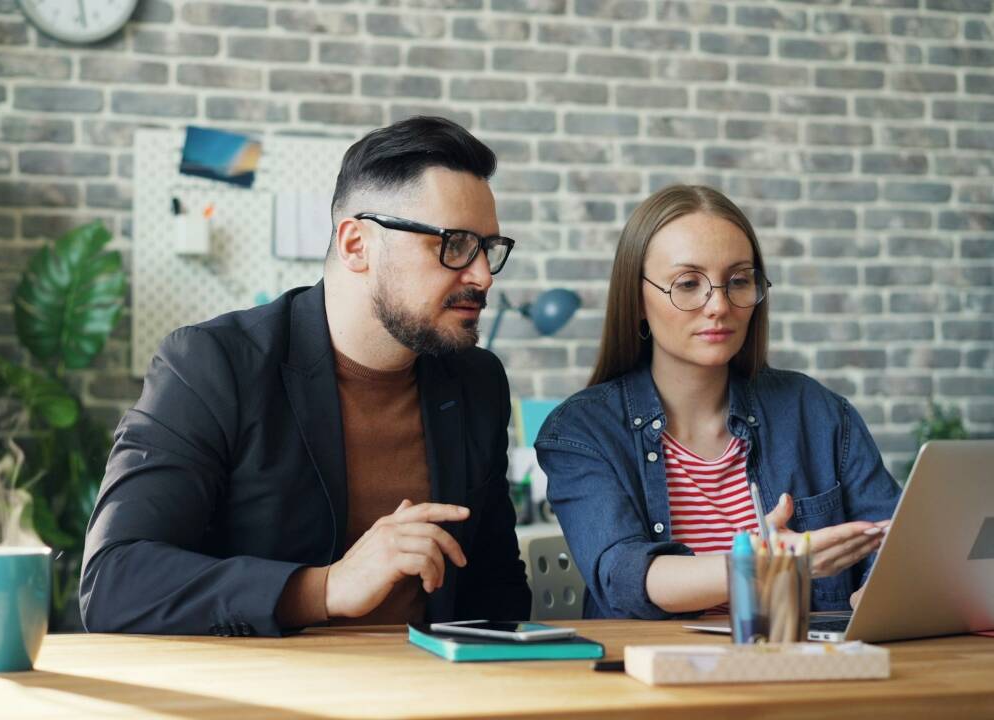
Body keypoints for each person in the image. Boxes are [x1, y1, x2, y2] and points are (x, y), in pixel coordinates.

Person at [80, 116, 531, 636]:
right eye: (453, 244)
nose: (480, 275)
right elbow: (113, 582)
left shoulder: (477, 381)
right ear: (356, 244)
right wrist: (326, 587)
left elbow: (496, 589)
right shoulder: (212, 365)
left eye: (488, 248)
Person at [534, 184, 901, 620]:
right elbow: (626, 575)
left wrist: (881, 594)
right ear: (637, 300)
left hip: (801, 673)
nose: (719, 305)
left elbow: (898, 543)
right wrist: (764, 566)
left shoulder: (818, 413)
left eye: (738, 281)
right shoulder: (580, 431)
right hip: (652, 678)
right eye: (688, 284)